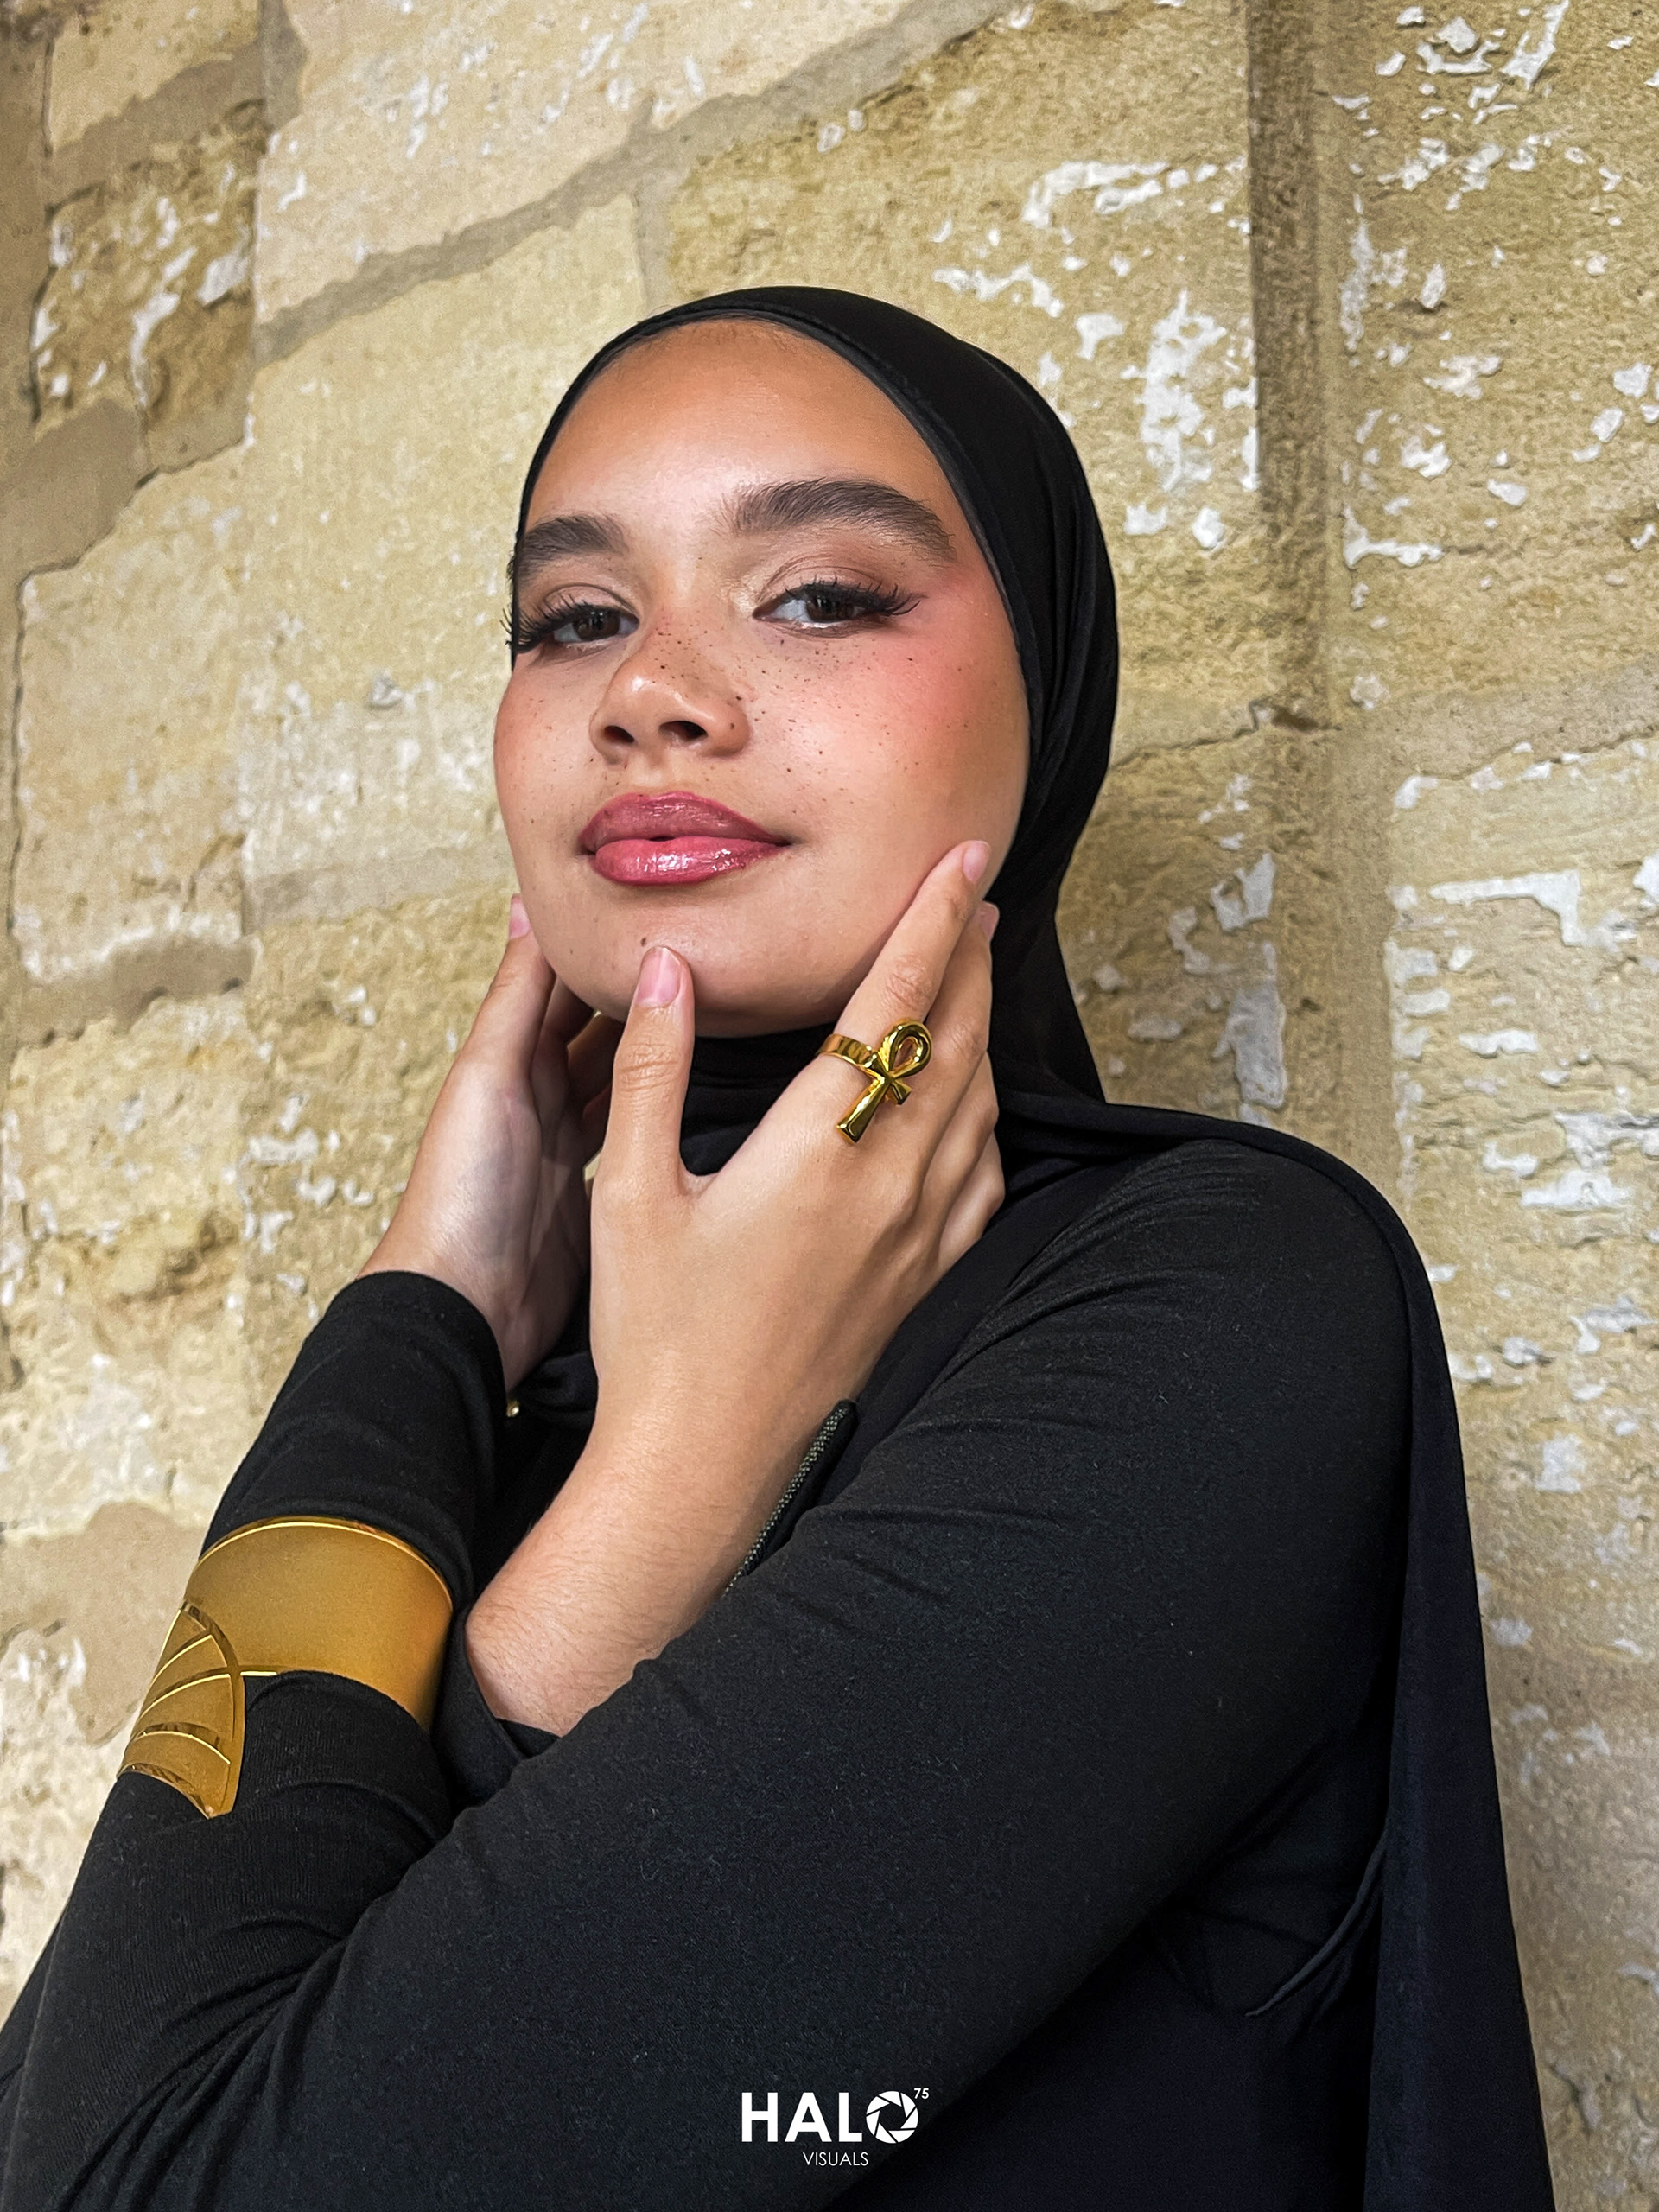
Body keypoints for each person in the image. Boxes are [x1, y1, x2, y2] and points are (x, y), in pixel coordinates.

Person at [0, 290, 1554, 2209]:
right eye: (577, 617)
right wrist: (428, 1303)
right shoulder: (492, 1398)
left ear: (1049, 693)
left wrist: (664, 1473)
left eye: (819, 595)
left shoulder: (1212, 1314)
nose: (653, 692)